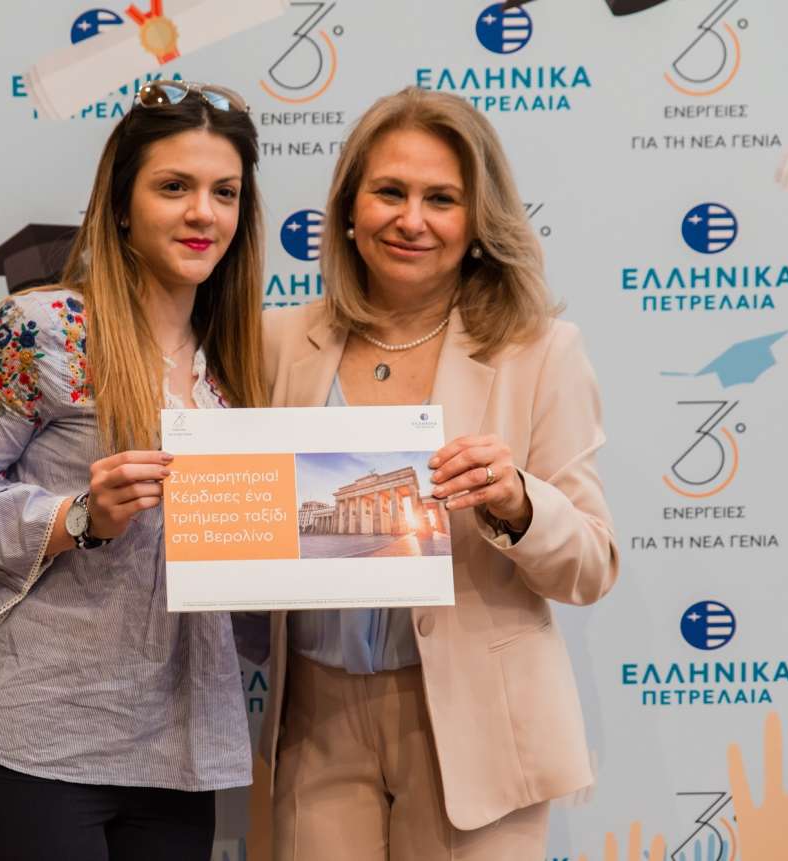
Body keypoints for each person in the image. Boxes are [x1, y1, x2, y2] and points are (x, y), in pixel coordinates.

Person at [0, 80, 266, 861]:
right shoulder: (42, 330)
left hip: (179, 753)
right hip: (37, 742)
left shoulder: (242, 364)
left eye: (224, 192)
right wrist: (79, 517)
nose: (203, 212)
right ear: (122, 204)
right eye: (174, 186)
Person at [259, 87, 618, 860]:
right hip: (316, 720)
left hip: (478, 728)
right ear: (348, 209)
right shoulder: (277, 339)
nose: (411, 219)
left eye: (442, 199)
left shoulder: (541, 350)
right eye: (389, 192)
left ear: (478, 220)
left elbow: (591, 564)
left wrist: (518, 502)